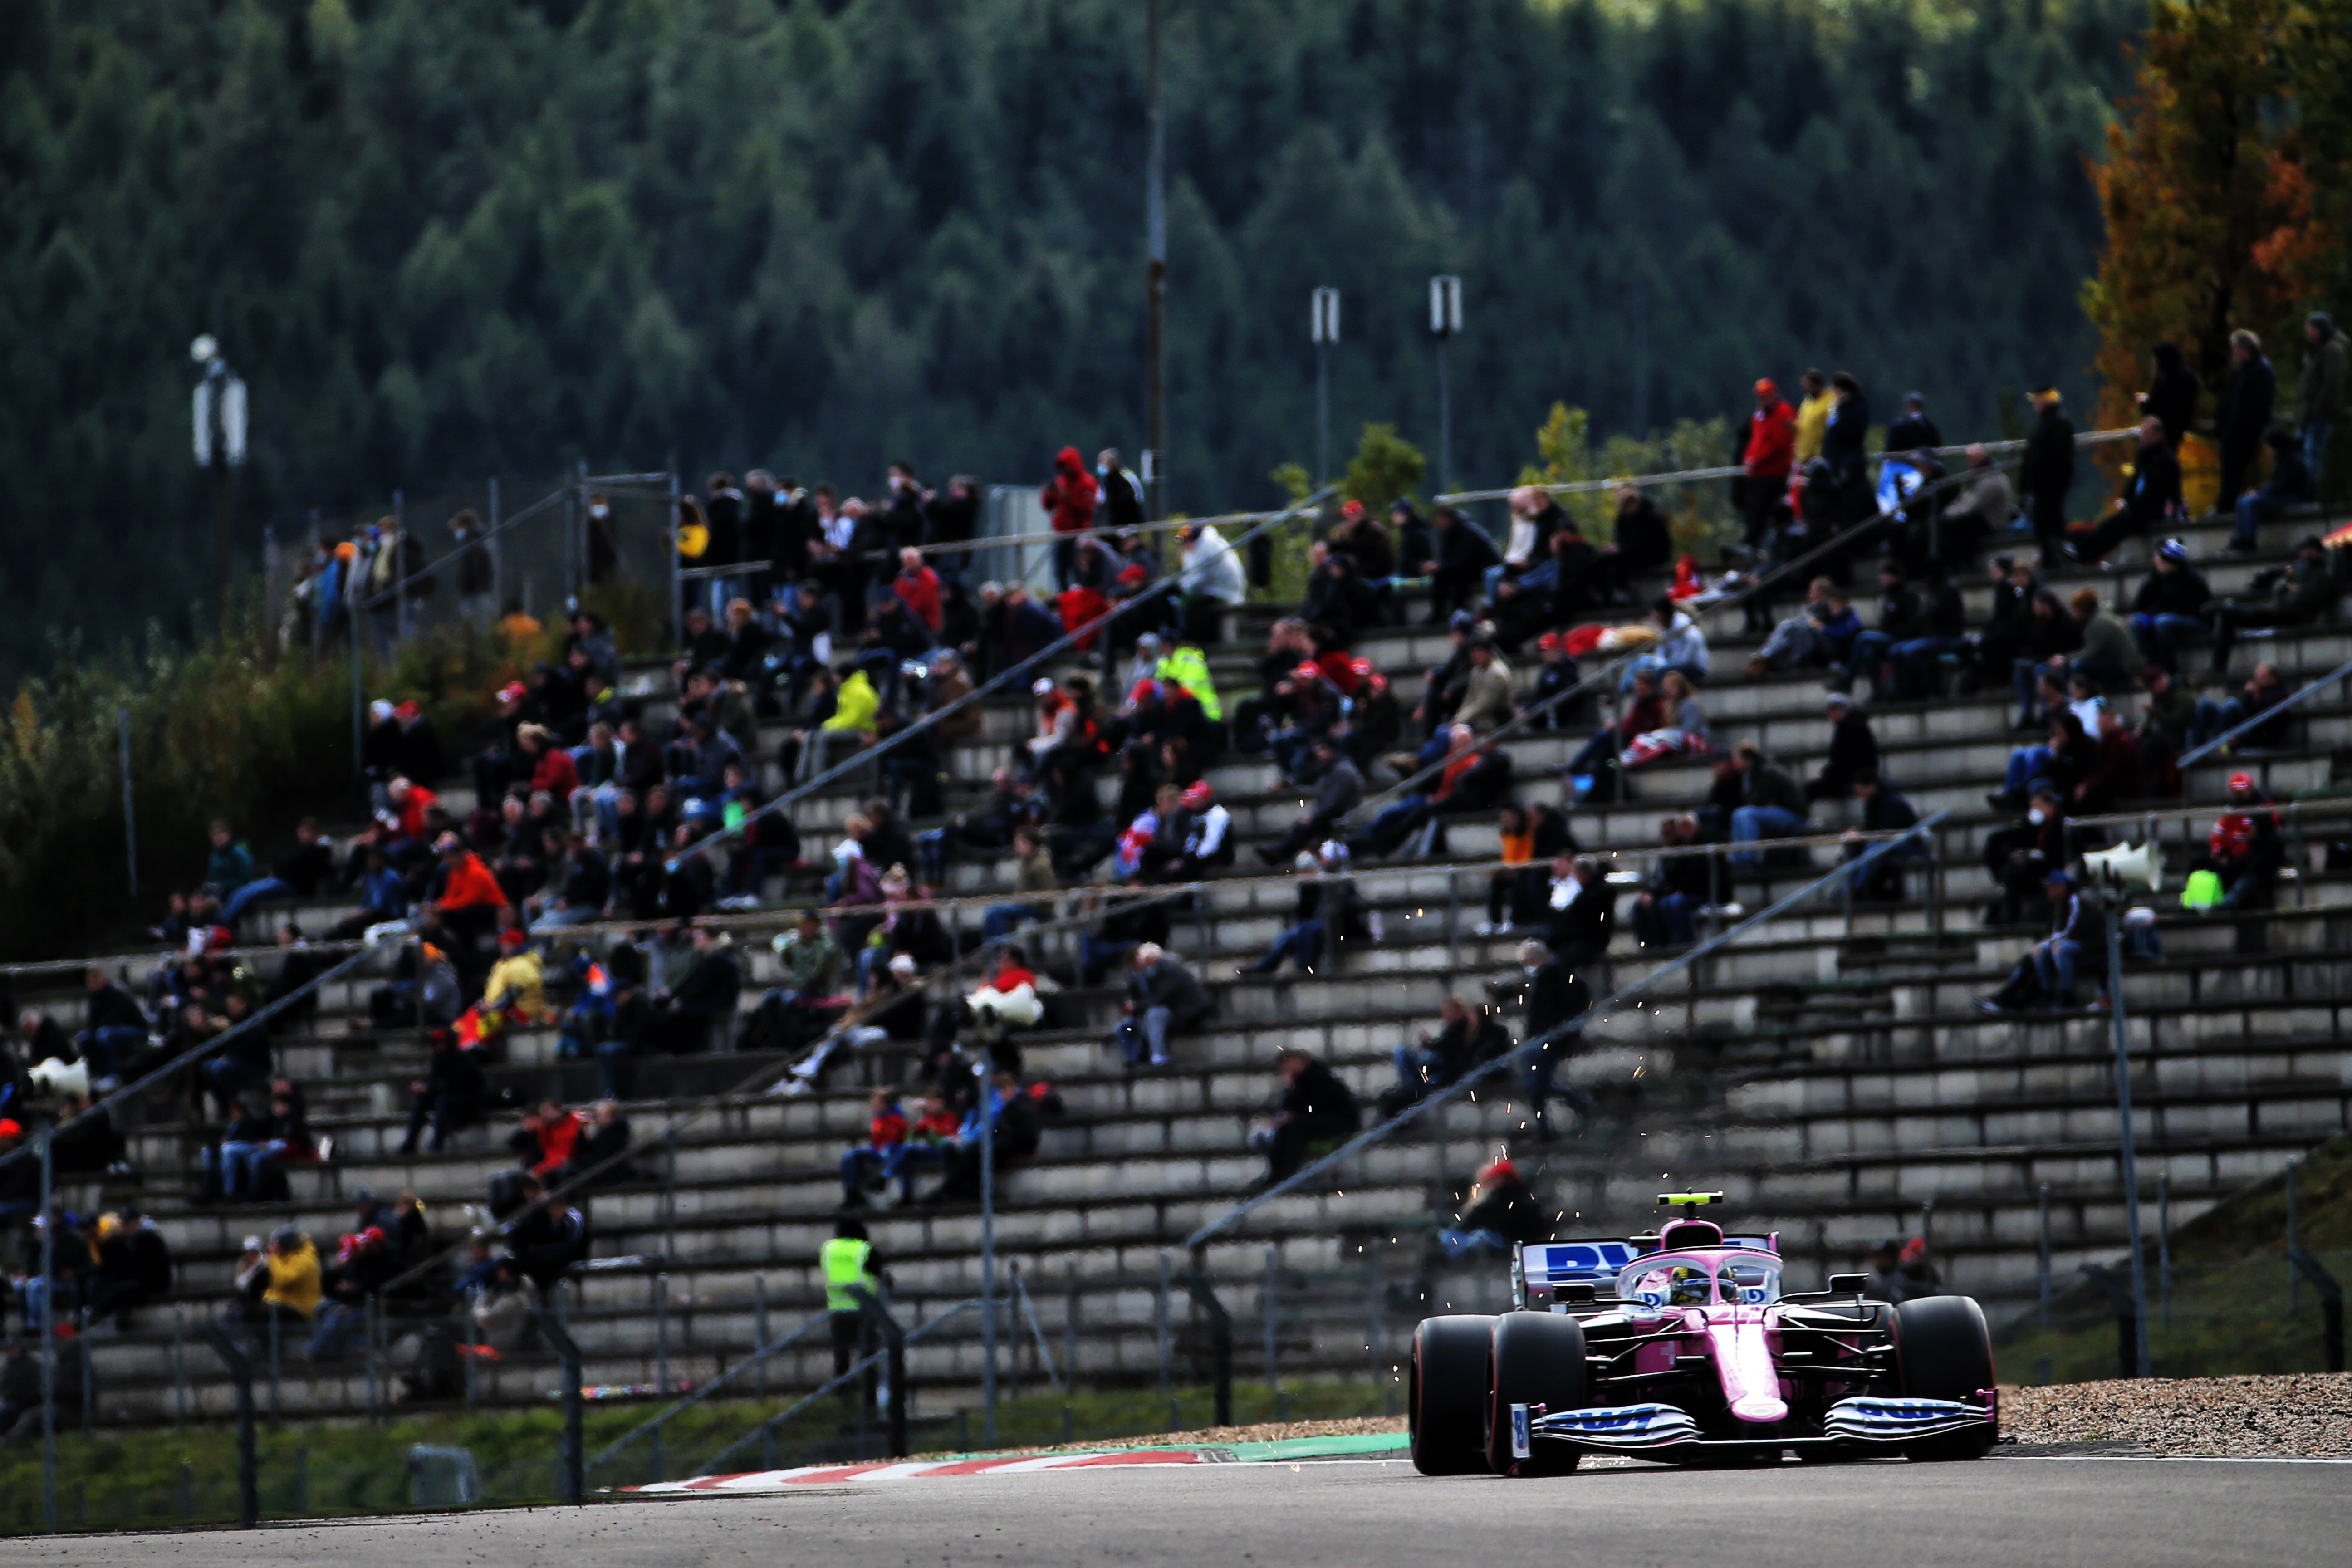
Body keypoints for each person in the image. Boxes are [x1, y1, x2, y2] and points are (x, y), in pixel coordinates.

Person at [1974, 870, 2106, 1014]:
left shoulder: (2077, 902)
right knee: (2039, 952)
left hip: (2091, 947)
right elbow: (2056, 932)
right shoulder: (2059, 907)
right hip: (2073, 944)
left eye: (2051, 887)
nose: (2048, 891)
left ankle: (2068, 996)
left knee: (2060, 949)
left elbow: (2072, 931)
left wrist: (2049, 943)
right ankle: (2047, 993)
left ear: (2061, 887)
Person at [2208, 535, 2336, 671]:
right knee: (2227, 616)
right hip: (2278, 609)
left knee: (2232, 613)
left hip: (2294, 615)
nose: (2301, 554)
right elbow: (2278, 589)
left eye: (2304, 550)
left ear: (2313, 551)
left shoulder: (2321, 575)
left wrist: (2289, 588)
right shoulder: (2297, 570)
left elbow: (2299, 599)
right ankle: (2218, 664)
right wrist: (2284, 581)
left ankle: (2225, 607)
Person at [2069, 416, 2180, 562]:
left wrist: (2132, 506)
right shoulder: (2146, 455)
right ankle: (2080, 550)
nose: (2143, 437)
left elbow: (2154, 493)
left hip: (2152, 511)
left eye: (2147, 433)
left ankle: (2085, 554)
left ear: (2158, 435)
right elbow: (2135, 482)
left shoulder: (2165, 460)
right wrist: (2126, 501)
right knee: (2109, 524)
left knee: (2118, 527)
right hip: (2138, 508)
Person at [1253, 1046, 1361, 1186]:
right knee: (1285, 1128)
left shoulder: (1321, 1078)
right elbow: (1290, 1108)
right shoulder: (1298, 1082)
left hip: (1338, 1121)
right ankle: (1277, 1173)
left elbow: (1316, 1106)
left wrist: (1293, 1112)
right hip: (1313, 1121)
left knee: (1296, 1125)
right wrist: (1288, 1092)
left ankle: (1289, 1172)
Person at [1112, 942, 1214, 1068]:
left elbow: (1161, 998)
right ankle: (1136, 1059)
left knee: (1155, 1014)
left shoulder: (1170, 970)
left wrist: (1136, 1006)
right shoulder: (1140, 977)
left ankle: (1159, 1057)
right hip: (1158, 1013)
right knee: (1124, 1028)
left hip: (1185, 1014)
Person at [1432, 1157, 1551, 1262]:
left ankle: (1448, 1258)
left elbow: (1499, 1223)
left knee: (1481, 1238)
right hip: (1491, 1237)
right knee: (1447, 1236)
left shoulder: (1514, 1200)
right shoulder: (1494, 1198)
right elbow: (1469, 1222)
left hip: (1507, 1243)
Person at [2128, 539, 2215, 673]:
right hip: (2161, 618)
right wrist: (2149, 617)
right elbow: (2140, 606)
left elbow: (2193, 609)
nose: (2157, 562)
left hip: (2195, 620)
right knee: (2137, 621)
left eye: (2162, 561)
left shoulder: (2192, 580)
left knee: (2164, 622)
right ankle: (2152, 667)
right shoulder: (2154, 579)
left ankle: (2169, 669)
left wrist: (2158, 615)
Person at [1628, 814, 1713, 951]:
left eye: (1668, 834)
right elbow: (1658, 878)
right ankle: (1647, 947)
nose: (1665, 837)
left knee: (1664, 905)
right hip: (1665, 892)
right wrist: (1649, 892)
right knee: (1638, 908)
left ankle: (1668, 945)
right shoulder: (1666, 855)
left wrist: (1655, 895)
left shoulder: (1683, 853)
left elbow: (1676, 881)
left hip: (1678, 892)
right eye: (1663, 834)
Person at [1719, 741, 1810, 867]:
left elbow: (1758, 800)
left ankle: (1749, 858)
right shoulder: (1752, 772)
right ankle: (1737, 858)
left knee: (1747, 815)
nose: (1735, 762)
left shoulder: (1766, 771)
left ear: (1748, 759)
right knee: (1738, 814)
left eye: (1737, 759)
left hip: (1793, 813)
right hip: (1780, 810)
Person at [2215, 328, 2277, 510]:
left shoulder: (2261, 371)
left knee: (2241, 472)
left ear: (2244, 349)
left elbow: (2259, 405)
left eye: (2235, 348)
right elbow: (2229, 399)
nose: (2233, 353)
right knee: (2230, 471)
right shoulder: (2242, 371)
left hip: (2246, 433)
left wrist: (2241, 426)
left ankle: (2231, 506)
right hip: (2233, 431)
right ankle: (2226, 505)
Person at [2228, 427, 2317, 551]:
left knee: (2250, 502)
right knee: (2243, 500)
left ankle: (2248, 540)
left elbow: (2281, 486)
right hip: (2282, 495)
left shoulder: (2293, 460)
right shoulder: (2282, 459)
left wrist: (2259, 492)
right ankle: (2240, 537)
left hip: (2292, 498)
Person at [1843, 771, 1922, 902]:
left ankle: (1858, 889)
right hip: (1888, 842)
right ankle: (1850, 887)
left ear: (1870, 787)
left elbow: (1888, 830)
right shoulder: (1873, 803)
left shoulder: (1893, 802)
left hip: (1909, 843)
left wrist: (1863, 836)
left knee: (1875, 846)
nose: (1858, 794)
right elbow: (1871, 829)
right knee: (1855, 848)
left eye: (1859, 789)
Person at [2020, 384, 2077, 559]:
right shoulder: (2049, 422)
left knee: (2050, 524)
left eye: (2036, 401)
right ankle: (2050, 556)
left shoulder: (2058, 424)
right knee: (2043, 525)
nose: (2034, 406)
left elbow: (2059, 459)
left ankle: (2055, 558)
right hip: (2043, 485)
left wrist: (2046, 481)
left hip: (2050, 485)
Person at [1740, 378, 1797, 546]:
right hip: (1757, 473)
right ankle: (1753, 540)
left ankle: (1760, 543)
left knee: (1764, 511)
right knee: (1753, 510)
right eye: (1759, 395)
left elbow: (1778, 443)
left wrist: (1756, 460)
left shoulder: (1784, 412)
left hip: (1772, 473)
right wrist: (1748, 458)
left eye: (1765, 395)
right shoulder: (1759, 415)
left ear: (1773, 394)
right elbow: (1755, 440)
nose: (1762, 399)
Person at [838, 1090, 910, 1209]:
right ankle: (852, 1192)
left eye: (876, 1102)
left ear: (885, 1104)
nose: (873, 1105)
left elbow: (893, 1143)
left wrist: (883, 1153)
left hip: (889, 1153)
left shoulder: (896, 1120)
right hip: (876, 1151)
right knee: (850, 1156)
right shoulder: (877, 1119)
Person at [1806, 693, 1878, 804]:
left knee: (1811, 789)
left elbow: (1847, 759)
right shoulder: (1848, 725)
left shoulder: (1851, 728)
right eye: (1831, 710)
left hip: (1858, 775)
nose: (1833, 714)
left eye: (1836, 709)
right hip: (1855, 773)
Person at [2298, 312, 2345, 479]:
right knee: (2299, 454)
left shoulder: (2332, 350)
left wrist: (2317, 408)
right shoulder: (2315, 351)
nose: (2307, 332)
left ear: (2319, 330)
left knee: (2312, 455)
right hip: (2309, 412)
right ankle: (2300, 493)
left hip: (2319, 414)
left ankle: (2309, 498)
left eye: (2310, 328)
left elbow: (2332, 383)